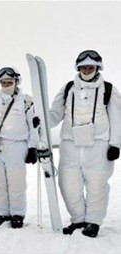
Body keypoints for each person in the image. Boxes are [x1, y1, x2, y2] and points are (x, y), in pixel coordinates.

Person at [49, 50, 121, 238]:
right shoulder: (68, 88)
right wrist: (40, 120)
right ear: (78, 68)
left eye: (91, 67)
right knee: (67, 183)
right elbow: (55, 114)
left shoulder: (109, 89)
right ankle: (78, 219)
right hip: (70, 144)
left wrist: (116, 144)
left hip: (98, 145)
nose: (87, 70)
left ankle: (93, 222)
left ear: (98, 68)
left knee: (97, 184)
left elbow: (117, 118)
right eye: (84, 67)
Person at [0, 67, 38, 228]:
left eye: (9, 82)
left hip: (17, 145)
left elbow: (34, 126)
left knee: (16, 181)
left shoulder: (26, 101)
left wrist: (33, 147)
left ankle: (18, 214)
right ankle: (2, 213)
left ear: (16, 82)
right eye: (3, 82)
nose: (6, 84)